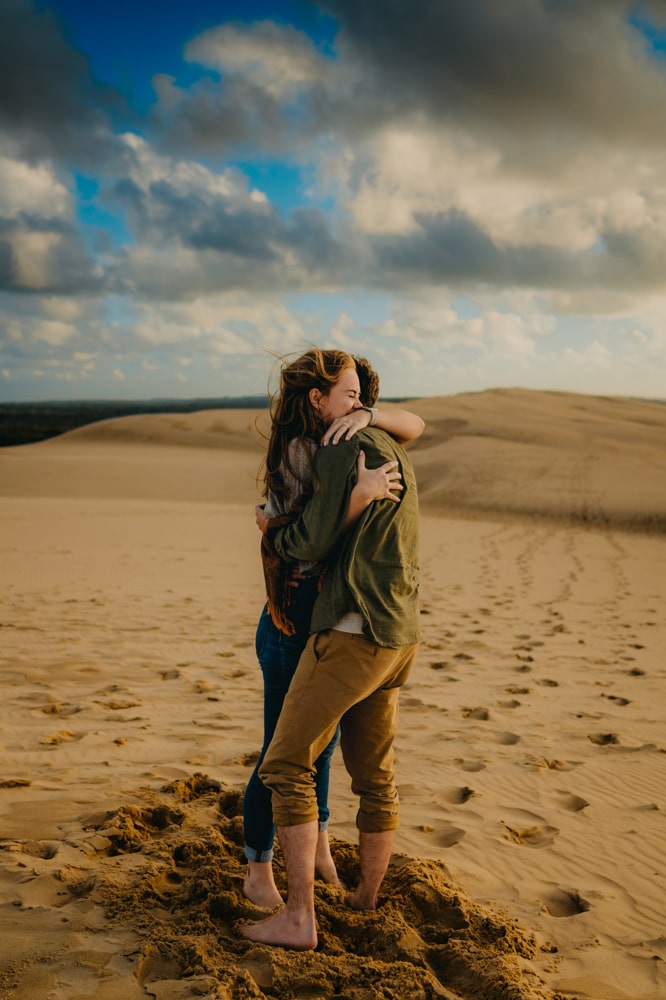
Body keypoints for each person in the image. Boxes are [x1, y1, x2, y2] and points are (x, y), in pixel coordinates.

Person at [241, 351, 422, 949]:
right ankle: (360, 895)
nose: (357, 402)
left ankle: (293, 911)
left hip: (341, 626)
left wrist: (273, 532)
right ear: (317, 399)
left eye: (360, 394)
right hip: (397, 632)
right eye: (348, 393)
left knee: (285, 760)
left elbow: (309, 542)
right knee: (370, 774)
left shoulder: (345, 446)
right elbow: (411, 428)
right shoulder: (374, 447)